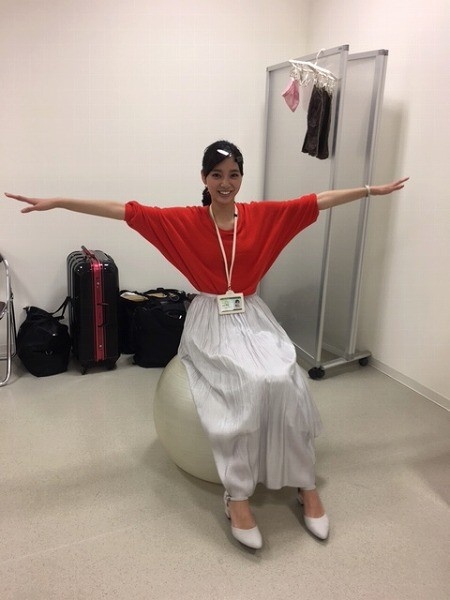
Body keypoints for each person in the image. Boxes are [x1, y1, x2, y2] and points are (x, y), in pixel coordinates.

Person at [5, 140, 408, 550]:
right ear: (204, 178)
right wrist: (59, 202)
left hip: (252, 314)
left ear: (241, 178)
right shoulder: (185, 221)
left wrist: (369, 190)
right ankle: (238, 496)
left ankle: (305, 484)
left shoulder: (261, 216)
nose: (225, 182)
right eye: (217, 174)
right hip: (210, 318)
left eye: (233, 174)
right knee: (247, 382)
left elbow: (316, 201)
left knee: (284, 375)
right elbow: (124, 210)